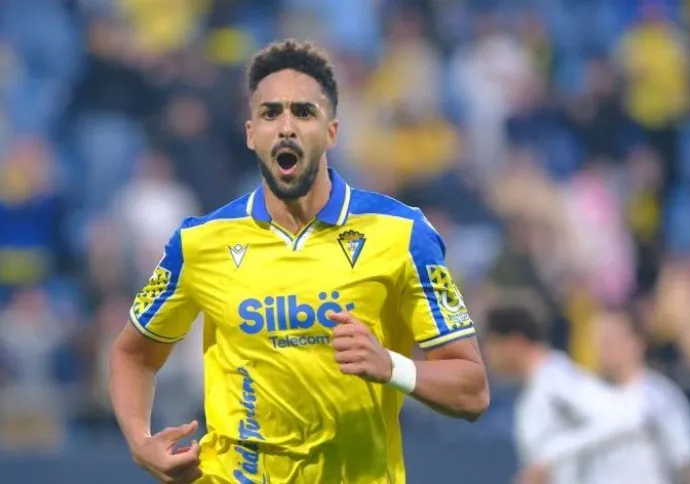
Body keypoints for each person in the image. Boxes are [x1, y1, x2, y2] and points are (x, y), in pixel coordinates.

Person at [108, 39, 490, 484]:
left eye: (304, 112)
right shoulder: (199, 242)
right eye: (270, 113)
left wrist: (391, 366)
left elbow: (473, 390)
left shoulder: (403, 234)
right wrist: (139, 441)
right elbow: (132, 353)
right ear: (251, 134)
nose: (286, 127)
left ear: (331, 132)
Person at [483, 294, 647, 484]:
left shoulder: (555, 382)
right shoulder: (539, 388)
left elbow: (623, 417)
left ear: (514, 343)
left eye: (491, 343)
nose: (486, 354)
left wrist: (550, 458)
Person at [594, 309, 690, 484]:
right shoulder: (591, 397)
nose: (605, 349)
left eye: (612, 340)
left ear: (637, 343)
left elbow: (687, 461)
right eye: (601, 342)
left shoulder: (660, 396)